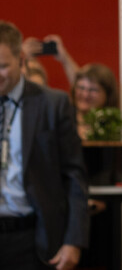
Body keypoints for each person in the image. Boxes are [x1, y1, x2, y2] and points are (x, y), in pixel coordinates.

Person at [0, 20, 88, 270]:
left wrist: (74, 240)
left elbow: (74, 176)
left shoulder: (52, 104)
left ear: (21, 59)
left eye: (3, 66)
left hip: (33, 240)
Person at [71, 63, 120, 140]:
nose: (85, 95)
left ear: (108, 94)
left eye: (93, 90)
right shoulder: (63, 120)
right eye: (81, 88)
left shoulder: (114, 127)